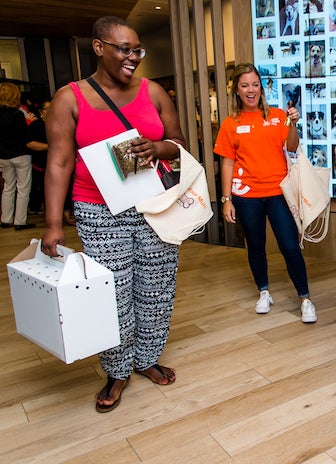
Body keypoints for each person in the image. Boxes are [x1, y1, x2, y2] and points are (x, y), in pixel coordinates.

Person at [41, 16, 186, 413]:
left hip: (154, 206)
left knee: (156, 288)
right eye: (124, 49)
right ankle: (118, 369)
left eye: (137, 50)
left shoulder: (153, 92)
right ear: (99, 47)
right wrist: (54, 225)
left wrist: (158, 148)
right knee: (113, 294)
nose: (133, 58)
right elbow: (59, 162)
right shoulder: (69, 98)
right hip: (97, 209)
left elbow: (179, 143)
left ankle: (147, 357)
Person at [214, 63, 318, 324]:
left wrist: (292, 124)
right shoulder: (230, 124)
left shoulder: (278, 115)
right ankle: (264, 292)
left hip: (278, 193)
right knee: (256, 246)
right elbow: (227, 162)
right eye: (245, 85)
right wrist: (226, 199)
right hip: (246, 195)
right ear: (236, 90)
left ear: (261, 86)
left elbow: (292, 148)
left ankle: (305, 298)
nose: (251, 90)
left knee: (290, 246)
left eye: (255, 84)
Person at [0, 81, 36, 230]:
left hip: (3, 155)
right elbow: (24, 135)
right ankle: (20, 221)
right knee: (23, 188)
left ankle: (5, 219)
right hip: (21, 154)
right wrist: (28, 122)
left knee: (8, 187)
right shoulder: (18, 114)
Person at [27, 100, 51, 214]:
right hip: (40, 163)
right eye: (46, 108)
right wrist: (50, 146)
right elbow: (31, 144)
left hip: (54, 162)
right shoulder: (36, 125)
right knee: (42, 188)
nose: (50, 110)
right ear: (41, 111)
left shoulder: (59, 123)